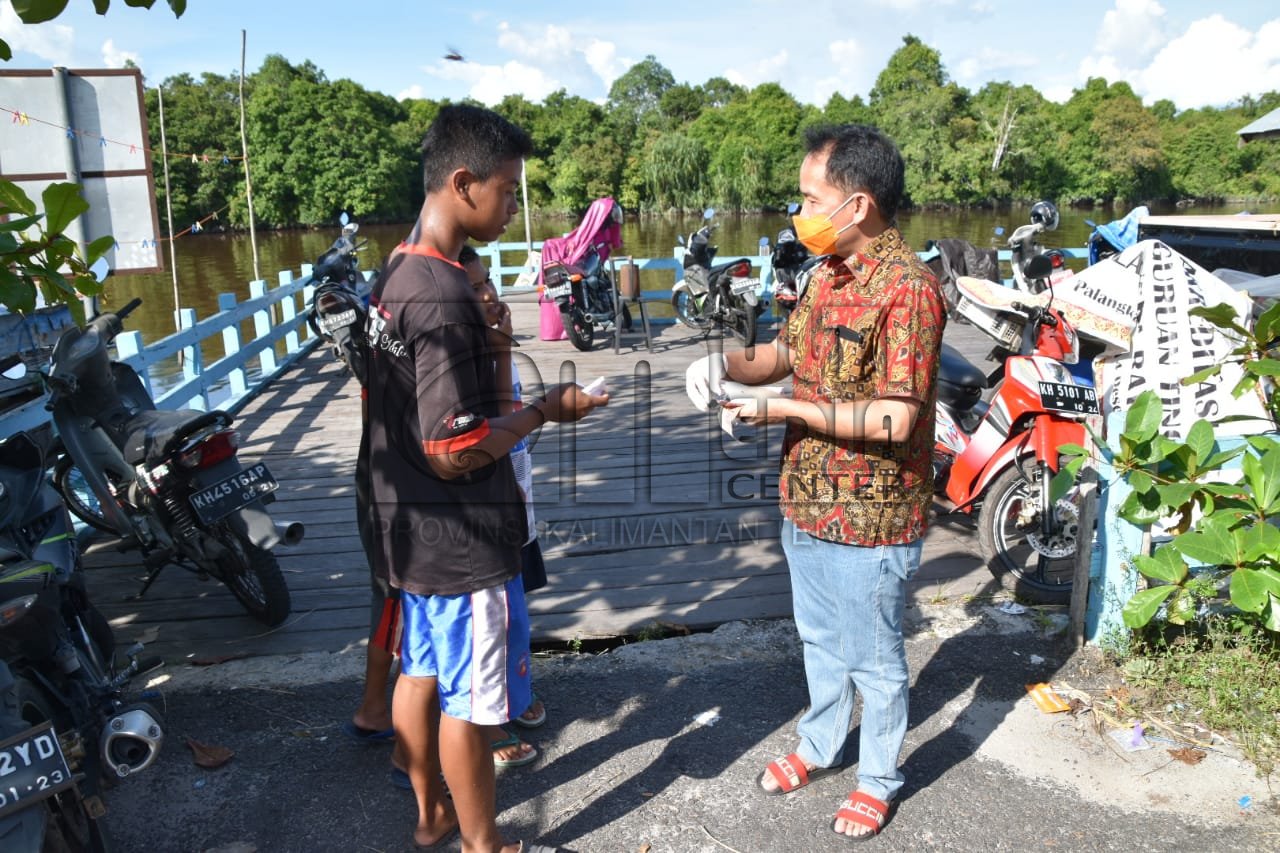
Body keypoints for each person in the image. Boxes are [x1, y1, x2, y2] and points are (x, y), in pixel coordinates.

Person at [685, 124, 944, 840]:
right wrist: (726, 366)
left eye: (810, 197)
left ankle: (878, 777)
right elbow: (780, 353)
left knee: (875, 655)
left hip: (871, 512)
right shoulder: (826, 274)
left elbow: (895, 418)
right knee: (821, 639)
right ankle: (822, 742)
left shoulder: (910, 291)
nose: (799, 211)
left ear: (857, 204)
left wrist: (784, 408)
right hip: (805, 497)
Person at [363, 104, 606, 853]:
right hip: (461, 535)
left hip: (403, 519)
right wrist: (544, 410)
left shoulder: (400, 269)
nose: (512, 207)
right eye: (506, 190)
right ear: (463, 183)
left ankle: (431, 812)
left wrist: (496, 344)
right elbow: (452, 447)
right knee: (469, 705)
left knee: (419, 673)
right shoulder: (440, 294)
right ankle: (483, 844)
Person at [459, 243, 549, 768]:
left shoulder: (491, 344)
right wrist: (545, 410)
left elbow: (505, 410)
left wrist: (502, 348)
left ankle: (514, 692)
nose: (489, 292)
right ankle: (489, 718)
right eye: (474, 288)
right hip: (480, 509)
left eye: (488, 280)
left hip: (514, 495)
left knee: (514, 608)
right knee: (486, 618)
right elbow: (487, 427)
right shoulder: (453, 360)